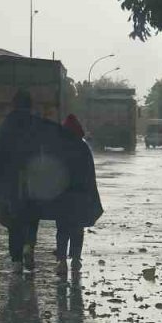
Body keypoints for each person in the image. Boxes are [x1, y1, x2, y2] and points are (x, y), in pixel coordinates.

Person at [0, 89, 49, 273]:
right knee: (33, 216)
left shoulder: (7, 123)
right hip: (33, 178)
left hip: (11, 180)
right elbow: (46, 149)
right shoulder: (36, 123)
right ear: (30, 105)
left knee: (14, 221)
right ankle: (29, 247)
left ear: (14, 104)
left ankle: (17, 261)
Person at [42, 113, 103, 277]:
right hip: (80, 196)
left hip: (62, 196)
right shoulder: (83, 148)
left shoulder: (57, 148)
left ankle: (62, 261)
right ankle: (76, 259)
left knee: (62, 229)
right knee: (77, 229)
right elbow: (90, 174)